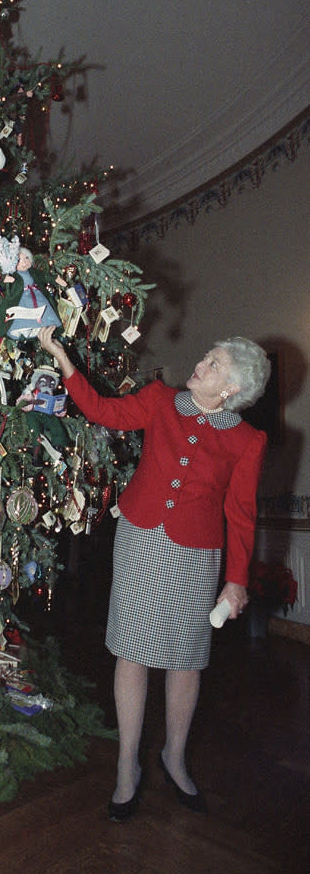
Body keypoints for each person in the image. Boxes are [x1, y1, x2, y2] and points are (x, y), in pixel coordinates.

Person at [38, 326, 270, 821]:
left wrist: (236, 580)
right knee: (132, 649)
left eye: (213, 362)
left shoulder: (248, 441)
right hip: (141, 537)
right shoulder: (162, 400)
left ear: (231, 388)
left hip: (196, 553)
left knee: (185, 658)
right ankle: (127, 765)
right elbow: (103, 410)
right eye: (206, 356)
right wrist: (63, 360)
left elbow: (241, 514)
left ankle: (174, 756)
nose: (200, 364)